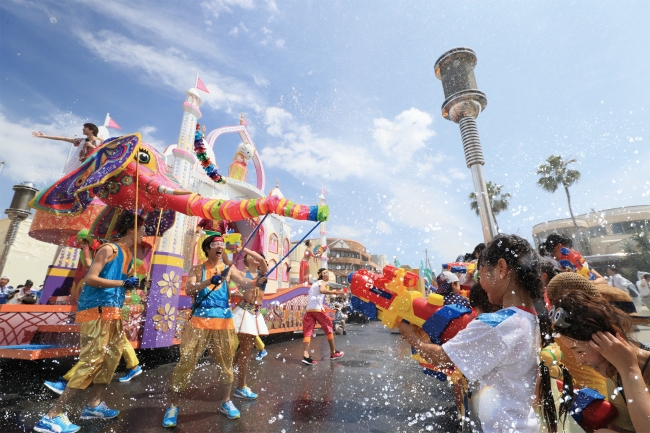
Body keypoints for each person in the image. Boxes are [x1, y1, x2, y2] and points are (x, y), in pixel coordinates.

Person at [399, 234, 568, 433]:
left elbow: (443, 359)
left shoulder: (498, 324)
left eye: (481, 275)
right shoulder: (534, 319)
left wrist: (409, 334)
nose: (479, 285)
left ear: (501, 268)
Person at [33, 212, 142, 433]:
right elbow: (92, 278)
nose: (146, 233)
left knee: (110, 359)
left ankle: (93, 405)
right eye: (144, 228)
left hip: (114, 312)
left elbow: (118, 283)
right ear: (132, 229)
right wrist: (122, 282)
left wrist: (129, 284)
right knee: (92, 360)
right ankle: (52, 415)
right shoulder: (109, 249)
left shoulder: (129, 253)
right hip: (97, 311)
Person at [162, 234, 266, 427]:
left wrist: (257, 280)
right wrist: (209, 281)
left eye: (222, 245)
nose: (220, 247)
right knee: (187, 362)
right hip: (200, 322)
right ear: (208, 248)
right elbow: (190, 289)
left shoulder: (229, 269)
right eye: (216, 245)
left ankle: (226, 401)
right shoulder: (198, 268)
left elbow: (244, 282)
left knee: (226, 363)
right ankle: (173, 406)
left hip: (223, 322)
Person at [551, 290, 650, 432]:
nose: (579, 361)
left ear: (609, 340)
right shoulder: (614, 372)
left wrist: (629, 370)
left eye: (580, 351)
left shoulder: (624, 369)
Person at [228, 248, 269, 401]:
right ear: (246, 260)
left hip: (254, 313)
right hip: (244, 311)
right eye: (250, 256)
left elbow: (263, 260)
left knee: (245, 350)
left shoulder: (262, 274)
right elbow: (229, 267)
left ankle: (229, 374)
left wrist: (241, 248)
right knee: (245, 349)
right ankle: (240, 386)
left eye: (257, 256)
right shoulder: (241, 274)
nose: (255, 258)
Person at [302, 268, 344, 365]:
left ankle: (306, 355)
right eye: (326, 273)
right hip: (316, 310)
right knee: (329, 327)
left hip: (309, 310)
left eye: (328, 273)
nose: (327, 275)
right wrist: (335, 292)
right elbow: (322, 290)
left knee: (308, 331)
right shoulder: (322, 282)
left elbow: (315, 298)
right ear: (321, 275)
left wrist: (322, 305)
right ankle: (333, 353)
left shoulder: (314, 284)